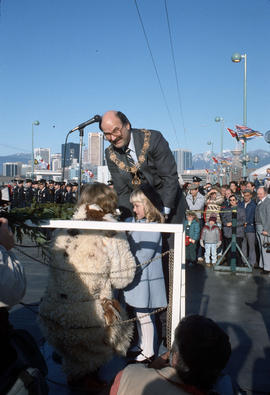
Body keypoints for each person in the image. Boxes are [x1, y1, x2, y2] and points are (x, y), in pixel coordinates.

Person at [39, 183, 136, 391]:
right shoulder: (110, 231)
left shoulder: (62, 228)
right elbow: (123, 279)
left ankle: (77, 378)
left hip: (54, 316)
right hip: (91, 323)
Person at [99, 110, 186, 224]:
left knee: (168, 241)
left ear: (127, 125)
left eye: (116, 130)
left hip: (169, 205)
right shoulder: (110, 154)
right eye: (107, 134)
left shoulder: (153, 139)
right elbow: (122, 191)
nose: (113, 138)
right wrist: (128, 219)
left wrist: (164, 212)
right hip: (139, 212)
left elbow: (169, 177)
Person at [110, 315, 232, 395]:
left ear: (174, 357)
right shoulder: (218, 382)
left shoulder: (127, 374)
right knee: (225, 382)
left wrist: (150, 368)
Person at [123, 185, 167, 362]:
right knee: (139, 314)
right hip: (139, 278)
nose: (134, 209)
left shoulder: (153, 226)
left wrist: (126, 264)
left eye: (137, 206)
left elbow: (145, 256)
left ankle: (148, 350)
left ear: (147, 205)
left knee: (144, 315)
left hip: (145, 278)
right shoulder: (136, 222)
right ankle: (142, 344)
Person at [220, 194, 246, 266]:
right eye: (230, 200)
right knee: (229, 250)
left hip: (238, 232)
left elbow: (243, 220)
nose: (232, 201)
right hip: (228, 232)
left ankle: (238, 263)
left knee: (237, 249)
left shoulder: (241, 209)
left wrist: (233, 223)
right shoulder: (225, 209)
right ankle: (229, 263)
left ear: (236, 201)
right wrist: (226, 223)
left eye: (233, 200)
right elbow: (223, 219)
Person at [239, 189, 257, 267]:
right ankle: (244, 261)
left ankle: (252, 262)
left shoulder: (254, 205)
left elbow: (254, 216)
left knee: (251, 246)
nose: (246, 197)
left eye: (247, 195)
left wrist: (248, 222)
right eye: (244, 195)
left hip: (250, 228)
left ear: (251, 196)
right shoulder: (241, 204)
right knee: (243, 246)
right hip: (242, 228)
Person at [255, 186, 270, 274]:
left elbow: (269, 217)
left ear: (265, 193)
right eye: (258, 194)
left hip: (264, 228)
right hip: (258, 227)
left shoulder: (268, 202)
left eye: (260, 194)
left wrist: (267, 229)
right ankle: (263, 265)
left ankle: (267, 268)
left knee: (266, 248)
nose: (259, 195)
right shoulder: (259, 202)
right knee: (261, 247)